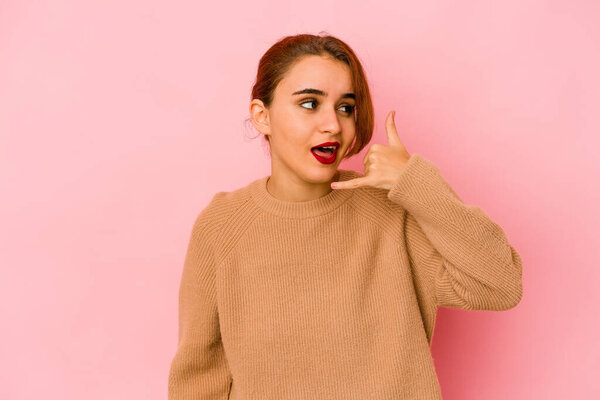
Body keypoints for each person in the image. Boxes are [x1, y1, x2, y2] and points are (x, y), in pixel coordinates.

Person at [167, 33, 523, 400]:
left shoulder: (391, 209)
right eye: (309, 103)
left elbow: (500, 284)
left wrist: (416, 182)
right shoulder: (222, 225)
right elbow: (199, 378)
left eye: (345, 107)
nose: (333, 126)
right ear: (262, 116)